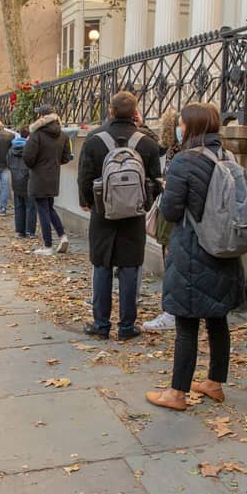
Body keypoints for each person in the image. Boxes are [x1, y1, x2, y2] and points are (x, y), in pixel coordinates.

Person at [145, 102, 244, 410]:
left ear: (190, 127)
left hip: (192, 249)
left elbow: (172, 210)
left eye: (182, 123)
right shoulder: (228, 157)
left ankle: (177, 393)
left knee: (186, 323)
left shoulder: (185, 161)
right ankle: (214, 383)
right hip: (224, 249)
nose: (179, 128)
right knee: (217, 318)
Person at [78, 91, 162, 342]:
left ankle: (101, 325)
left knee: (102, 266)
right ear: (136, 113)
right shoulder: (146, 143)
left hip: (103, 213)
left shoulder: (94, 140)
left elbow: (84, 177)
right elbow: (156, 180)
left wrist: (89, 203)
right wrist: (143, 204)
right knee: (130, 268)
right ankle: (127, 327)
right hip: (133, 215)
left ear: (111, 111)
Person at [142, 110, 181, 332]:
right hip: (174, 214)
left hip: (172, 215)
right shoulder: (174, 152)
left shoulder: (177, 154)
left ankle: (172, 311)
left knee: (172, 262)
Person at [23, 105, 72, 255]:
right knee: (49, 208)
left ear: (42, 117)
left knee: (42, 210)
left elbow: (28, 158)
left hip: (38, 177)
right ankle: (62, 236)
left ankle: (48, 246)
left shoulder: (36, 135)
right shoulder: (63, 135)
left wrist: (36, 165)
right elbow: (66, 157)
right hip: (53, 176)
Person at [8, 127, 37, 238]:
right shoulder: (30, 148)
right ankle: (30, 231)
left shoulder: (12, 148)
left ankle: (21, 231)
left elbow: (8, 162)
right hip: (28, 179)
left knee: (19, 206)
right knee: (31, 207)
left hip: (16, 180)